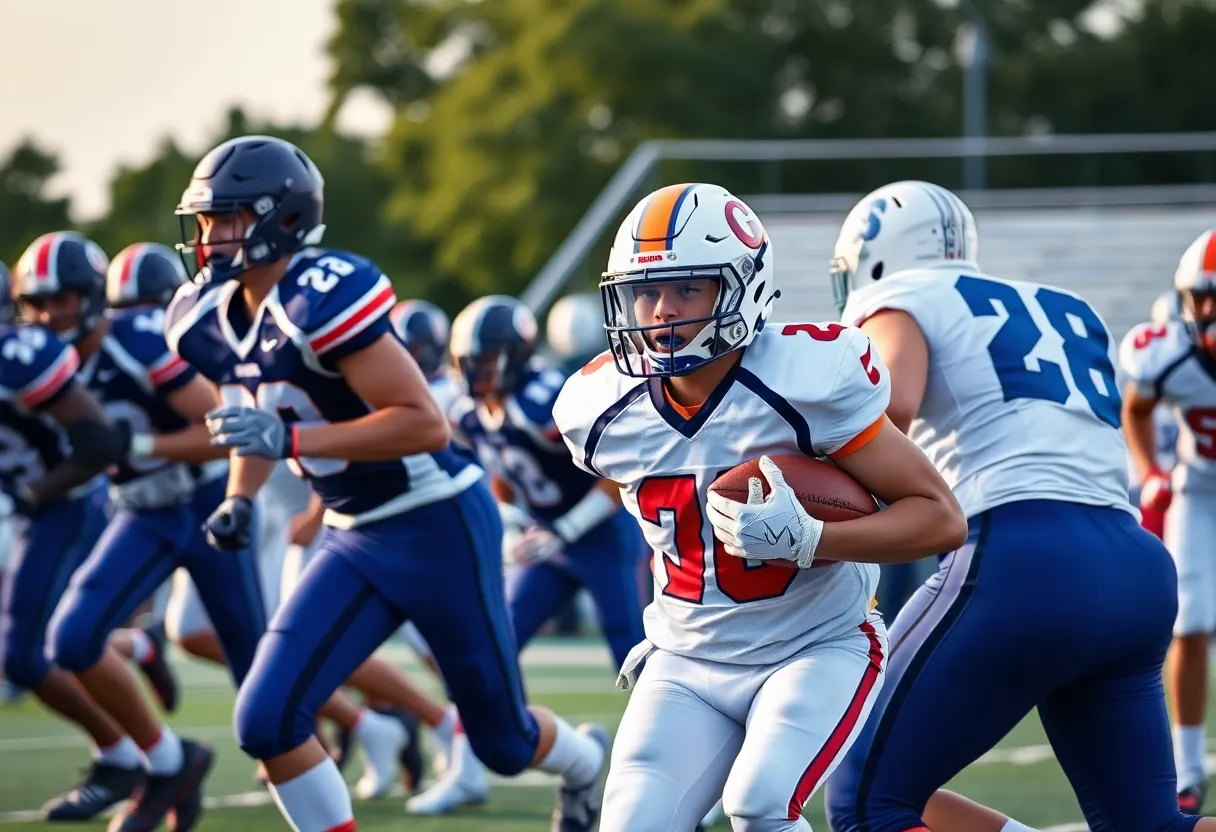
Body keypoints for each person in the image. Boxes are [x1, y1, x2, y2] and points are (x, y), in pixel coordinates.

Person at [166, 134, 609, 832]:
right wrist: (239, 496)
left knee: (501, 743)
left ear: (279, 221)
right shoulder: (206, 317)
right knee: (267, 718)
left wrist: (292, 443)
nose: (208, 239)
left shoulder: (321, 295)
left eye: (226, 220)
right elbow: (259, 417)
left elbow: (422, 425)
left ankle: (584, 763)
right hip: (352, 533)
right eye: (203, 222)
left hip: (436, 524)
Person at [554, 182, 967, 831]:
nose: (661, 311)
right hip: (685, 660)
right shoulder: (600, 408)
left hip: (815, 645)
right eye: (647, 291)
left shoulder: (807, 376)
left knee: (761, 804)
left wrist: (810, 538)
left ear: (741, 286)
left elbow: (940, 516)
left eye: (687, 288)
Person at [824, 179, 1204, 832]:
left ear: (873, 257)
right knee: (1150, 826)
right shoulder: (1068, 306)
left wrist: (807, 516)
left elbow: (890, 411)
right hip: (1135, 564)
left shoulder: (900, 297)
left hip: (1023, 558)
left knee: (863, 801)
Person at [408, 294, 646, 816]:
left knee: (637, 654)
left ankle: (702, 776)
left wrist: (565, 528)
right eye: (469, 362)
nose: (476, 373)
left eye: (486, 361)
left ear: (514, 355)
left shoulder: (545, 401)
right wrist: (515, 521)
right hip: (548, 542)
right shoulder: (470, 412)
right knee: (493, 645)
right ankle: (466, 770)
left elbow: (618, 470)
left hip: (602, 536)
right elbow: (503, 469)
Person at [14, 233, 219, 832]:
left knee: (256, 664)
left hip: (206, 499)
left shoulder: (138, 338)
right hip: (139, 508)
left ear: (94, 297)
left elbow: (217, 428)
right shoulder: (51, 357)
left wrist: (133, 445)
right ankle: (165, 761)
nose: (51, 316)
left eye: (65, 299)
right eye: (38, 303)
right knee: (71, 640)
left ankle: (372, 731)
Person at [1120, 230, 1216, 814]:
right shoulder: (1169, 353)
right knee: (1193, 619)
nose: (1206, 311)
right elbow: (1137, 408)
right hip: (1199, 490)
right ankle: (1187, 764)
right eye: (1200, 296)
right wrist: (1149, 467)